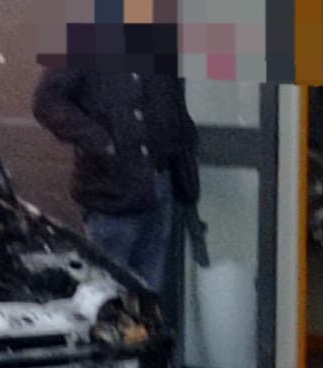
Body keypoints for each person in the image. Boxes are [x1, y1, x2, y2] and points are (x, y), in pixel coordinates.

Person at [32, 68, 201, 295]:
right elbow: (46, 101)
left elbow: (171, 100)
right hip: (110, 193)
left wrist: (181, 147)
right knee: (108, 296)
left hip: (159, 186)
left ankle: (145, 328)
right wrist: (100, 142)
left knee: (149, 293)